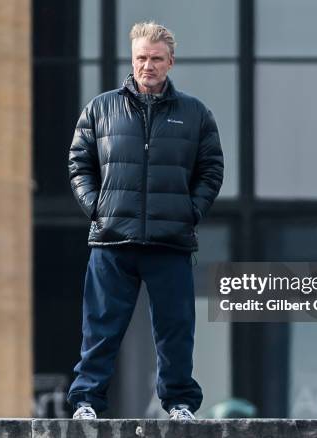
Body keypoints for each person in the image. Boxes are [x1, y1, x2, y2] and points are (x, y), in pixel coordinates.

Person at [66, 21, 224, 420]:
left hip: (170, 240)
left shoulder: (194, 113)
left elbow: (211, 170)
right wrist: (96, 207)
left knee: (175, 330)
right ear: (131, 60)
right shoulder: (100, 109)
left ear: (170, 62)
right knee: (100, 328)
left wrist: (190, 212)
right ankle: (86, 401)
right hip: (112, 239)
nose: (147, 66)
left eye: (155, 59)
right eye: (140, 58)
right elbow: (79, 163)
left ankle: (180, 404)